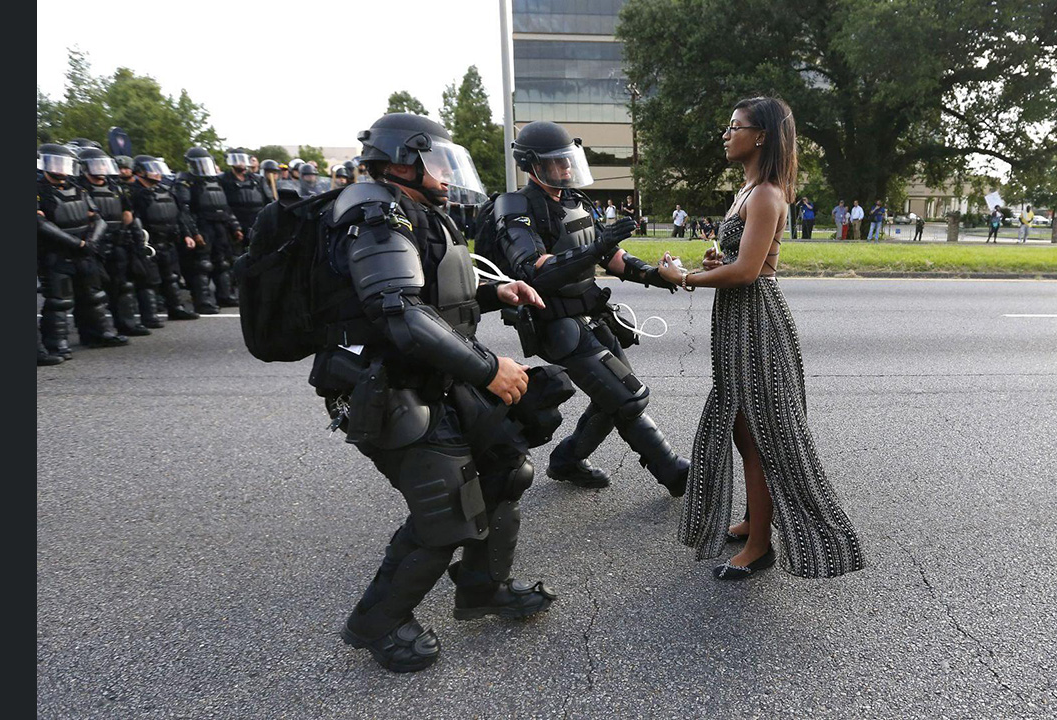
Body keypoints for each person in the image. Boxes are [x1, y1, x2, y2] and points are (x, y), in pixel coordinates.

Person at [309, 113, 563, 672]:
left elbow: (434, 295)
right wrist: (488, 367)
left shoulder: (410, 211)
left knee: (504, 468)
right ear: (403, 161)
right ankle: (378, 622)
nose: (447, 176)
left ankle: (481, 587)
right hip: (388, 386)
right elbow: (401, 315)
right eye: (437, 163)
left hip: (431, 376)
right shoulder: (375, 214)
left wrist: (499, 293)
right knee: (447, 511)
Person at [656, 96, 866, 581]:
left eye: (735, 126)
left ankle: (760, 545)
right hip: (737, 320)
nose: (727, 134)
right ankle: (755, 519)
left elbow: (749, 272)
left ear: (762, 136)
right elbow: (738, 262)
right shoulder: (747, 191)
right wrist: (715, 265)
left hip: (756, 322)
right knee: (741, 427)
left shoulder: (768, 193)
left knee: (764, 433)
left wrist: (684, 277)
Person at [494, 120, 690, 495]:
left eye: (569, 160)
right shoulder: (516, 206)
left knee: (613, 398)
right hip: (556, 323)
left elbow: (611, 255)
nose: (566, 168)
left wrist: (655, 275)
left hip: (591, 315)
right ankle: (674, 472)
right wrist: (596, 249)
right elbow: (533, 270)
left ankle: (567, 460)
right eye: (557, 162)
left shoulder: (574, 201)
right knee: (628, 396)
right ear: (532, 165)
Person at [37, 143, 128, 357]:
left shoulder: (79, 188)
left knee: (93, 295)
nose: (60, 169)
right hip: (56, 253)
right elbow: (40, 224)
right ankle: (56, 343)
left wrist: (91, 241)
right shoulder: (39, 190)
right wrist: (76, 243)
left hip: (85, 250)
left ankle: (99, 334)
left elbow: (97, 217)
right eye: (55, 163)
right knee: (59, 301)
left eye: (64, 163)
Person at [75, 147, 152, 336]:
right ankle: (93, 333)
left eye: (103, 164)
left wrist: (132, 237)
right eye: (96, 164)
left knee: (122, 286)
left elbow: (128, 213)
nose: (101, 168)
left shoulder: (115, 186)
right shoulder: (79, 188)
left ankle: (126, 324)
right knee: (92, 292)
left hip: (117, 242)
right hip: (92, 245)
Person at [130, 155, 201, 321]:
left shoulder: (166, 190)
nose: (157, 173)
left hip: (168, 241)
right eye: (152, 169)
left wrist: (186, 235)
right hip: (149, 242)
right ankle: (150, 316)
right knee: (148, 281)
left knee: (171, 277)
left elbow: (179, 216)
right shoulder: (133, 193)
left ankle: (176, 309)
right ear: (140, 172)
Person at [174, 146, 244, 311]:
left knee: (223, 263)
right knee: (202, 265)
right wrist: (194, 232)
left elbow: (225, 207)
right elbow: (184, 210)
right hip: (202, 225)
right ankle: (203, 301)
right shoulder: (185, 181)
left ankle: (225, 295)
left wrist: (235, 227)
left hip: (220, 225)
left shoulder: (215, 181)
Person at [219, 148, 268, 241]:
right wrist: (234, 226)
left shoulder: (258, 179)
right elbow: (222, 204)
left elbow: (268, 201)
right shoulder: (223, 179)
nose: (240, 163)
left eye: (242, 160)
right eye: (237, 160)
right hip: (235, 222)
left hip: (257, 221)